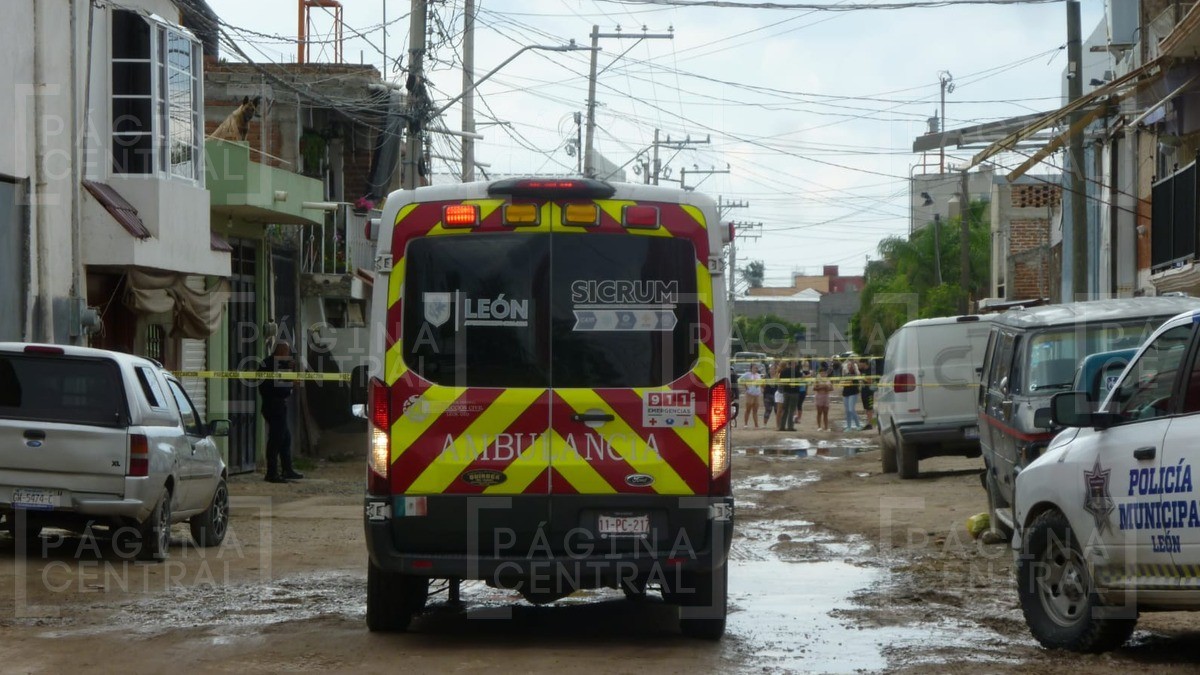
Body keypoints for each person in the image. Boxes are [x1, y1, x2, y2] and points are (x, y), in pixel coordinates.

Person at [259, 341, 304, 483]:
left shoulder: (274, 363)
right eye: (287, 352)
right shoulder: (273, 365)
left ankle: (287, 470)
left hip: (276, 405)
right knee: (276, 439)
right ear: (281, 352)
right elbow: (278, 387)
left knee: (285, 439)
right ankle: (271, 473)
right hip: (274, 406)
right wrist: (292, 384)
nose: (288, 355)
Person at [739, 363, 764, 428]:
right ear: (751, 368)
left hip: (757, 394)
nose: (756, 369)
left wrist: (762, 387)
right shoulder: (747, 374)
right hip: (750, 394)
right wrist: (745, 386)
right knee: (748, 409)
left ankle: (756, 424)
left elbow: (761, 383)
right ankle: (745, 424)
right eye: (754, 368)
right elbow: (740, 379)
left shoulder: (758, 375)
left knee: (755, 410)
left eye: (756, 368)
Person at [841, 358, 863, 432]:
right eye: (848, 365)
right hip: (845, 392)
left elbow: (858, 376)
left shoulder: (856, 374)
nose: (849, 366)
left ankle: (858, 425)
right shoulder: (845, 373)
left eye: (851, 365)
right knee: (847, 411)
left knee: (851, 409)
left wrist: (854, 364)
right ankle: (849, 427)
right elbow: (842, 382)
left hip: (853, 392)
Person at [778, 359, 799, 432]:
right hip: (794, 393)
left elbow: (780, 381)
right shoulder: (796, 371)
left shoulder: (783, 372)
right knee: (792, 410)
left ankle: (782, 426)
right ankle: (790, 426)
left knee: (785, 410)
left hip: (786, 392)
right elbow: (801, 379)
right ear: (793, 365)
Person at [813, 366, 833, 431]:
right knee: (819, 412)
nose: (823, 374)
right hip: (819, 396)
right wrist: (821, 387)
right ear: (819, 373)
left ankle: (826, 427)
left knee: (826, 413)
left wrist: (827, 387)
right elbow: (814, 388)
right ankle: (819, 427)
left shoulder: (828, 379)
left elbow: (832, 388)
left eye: (824, 373)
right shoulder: (817, 380)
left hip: (826, 397)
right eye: (821, 373)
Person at [859, 358, 877, 430]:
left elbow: (870, 381)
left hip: (869, 391)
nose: (859, 364)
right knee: (866, 408)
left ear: (865, 363)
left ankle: (872, 424)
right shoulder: (862, 370)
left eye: (861, 363)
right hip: (864, 390)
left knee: (870, 408)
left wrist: (863, 378)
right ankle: (869, 423)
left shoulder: (870, 371)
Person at [763, 362, 777, 426]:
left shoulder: (778, 376)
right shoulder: (766, 376)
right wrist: (764, 388)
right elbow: (761, 384)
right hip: (767, 395)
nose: (772, 370)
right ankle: (764, 424)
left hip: (776, 395)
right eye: (771, 369)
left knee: (777, 410)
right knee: (768, 410)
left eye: (773, 369)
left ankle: (778, 424)